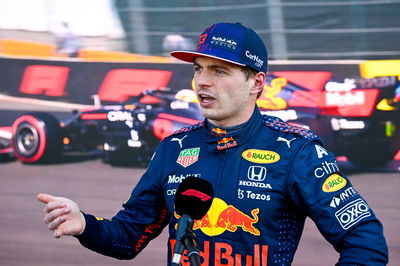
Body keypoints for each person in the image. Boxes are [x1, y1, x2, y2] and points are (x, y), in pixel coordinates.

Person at [38, 22, 388, 265]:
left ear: (256, 83)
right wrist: (83, 224)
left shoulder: (298, 151)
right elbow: (128, 238)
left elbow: (364, 240)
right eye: (199, 69)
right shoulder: (173, 149)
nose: (202, 82)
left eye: (219, 71)